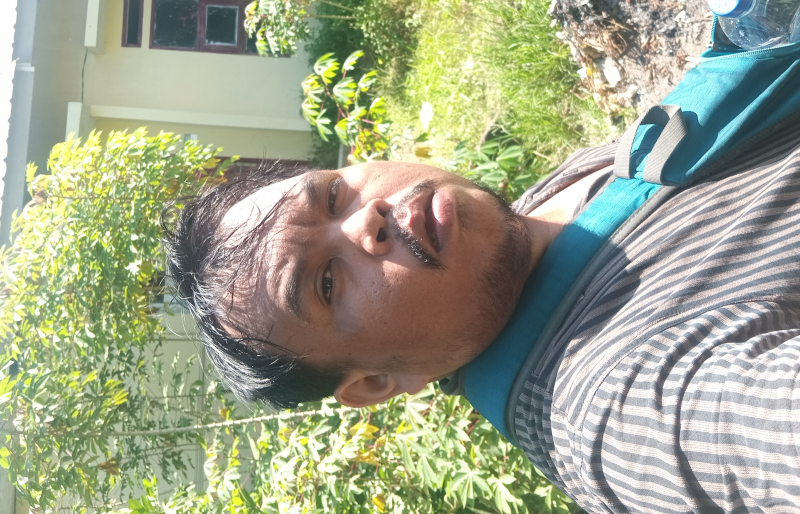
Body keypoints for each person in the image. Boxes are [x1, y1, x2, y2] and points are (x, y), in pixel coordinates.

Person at [165, 101, 800, 513]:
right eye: (326, 284)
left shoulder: (538, 212)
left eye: (333, 195)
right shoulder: (624, 407)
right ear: (377, 383)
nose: (368, 219)